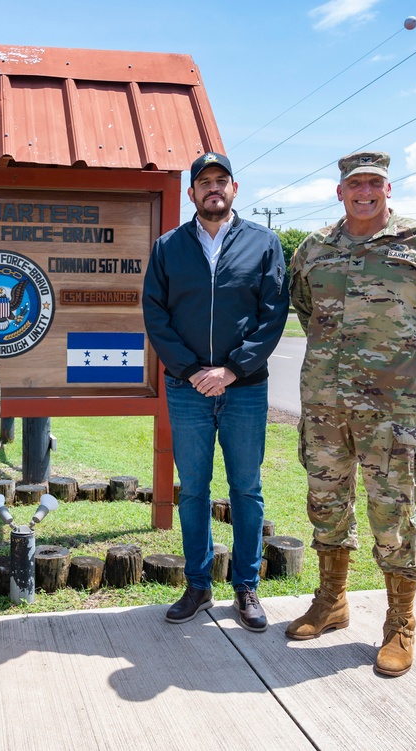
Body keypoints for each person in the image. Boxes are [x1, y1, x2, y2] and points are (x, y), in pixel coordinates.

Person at [286, 151, 416, 676]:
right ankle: (332, 601)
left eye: (374, 183)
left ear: (388, 189)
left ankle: (399, 623)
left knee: (392, 513)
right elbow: (306, 308)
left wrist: (409, 362)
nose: (364, 191)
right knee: (326, 502)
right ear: (339, 190)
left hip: (390, 409)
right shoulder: (314, 248)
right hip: (324, 401)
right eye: (354, 184)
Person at [142, 152, 289, 632]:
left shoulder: (264, 244)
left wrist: (230, 370)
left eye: (220, 181)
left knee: (246, 488)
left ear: (234, 188)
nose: (213, 189)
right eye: (204, 182)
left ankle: (246, 586)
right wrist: (190, 371)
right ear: (191, 194)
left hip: (244, 389)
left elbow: (273, 315)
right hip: (186, 390)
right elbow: (156, 315)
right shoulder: (168, 247)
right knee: (195, 491)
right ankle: (199, 585)